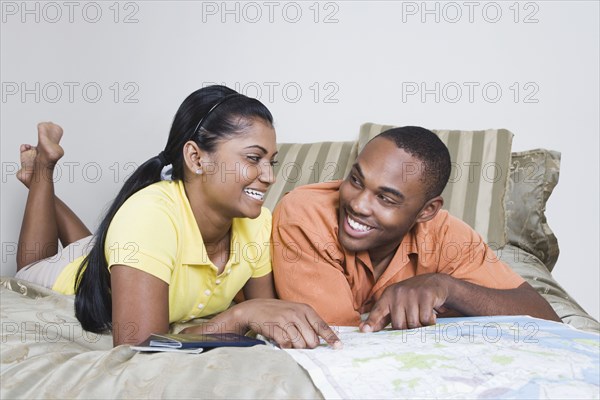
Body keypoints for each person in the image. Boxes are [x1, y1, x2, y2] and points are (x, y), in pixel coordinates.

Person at [14, 85, 341, 349]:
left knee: (95, 243)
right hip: (69, 275)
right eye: (254, 158)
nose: (269, 176)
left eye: (272, 161)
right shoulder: (148, 217)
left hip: (121, 249)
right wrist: (239, 315)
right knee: (28, 268)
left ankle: (40, 182)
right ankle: (42, 169)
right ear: (197, 158)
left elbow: (265, 313)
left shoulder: (256, 223)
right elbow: (136, 346)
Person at [272, 126, 561, 332]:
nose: (358, 205)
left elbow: (546, 320)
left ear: (427, 211)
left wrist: (447, 287)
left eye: (385, 198)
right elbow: (336, 337)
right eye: (356, 180)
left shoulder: (448, 235)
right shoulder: (304, 213)